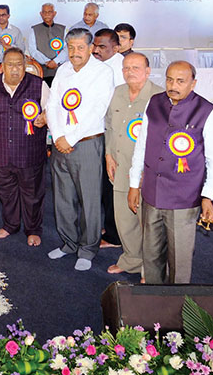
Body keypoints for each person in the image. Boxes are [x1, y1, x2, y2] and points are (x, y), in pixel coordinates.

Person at [128, 61, 213, 284]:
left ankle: (177, 309)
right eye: (169, 79)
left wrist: (208, 196)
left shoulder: (206, 111)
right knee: (151, 255)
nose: (173, 85)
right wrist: (134, 184)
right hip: (152, 193)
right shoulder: (154, 103)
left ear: (193, 83)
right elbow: (141, 145)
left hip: (184, 198)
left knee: (179, 261)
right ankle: (153, 303)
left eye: (180, 81)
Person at [46, 27, 115, 271]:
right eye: (71, 47)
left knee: (89, 199)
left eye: (81, 47)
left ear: (91, 48)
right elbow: (52, 104)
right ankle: (68, 243)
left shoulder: (102, 72)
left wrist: (71, 138)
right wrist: (58, 136)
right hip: (60, 143)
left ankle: (87, 249)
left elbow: (98, 109)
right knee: (63, 197)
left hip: (86, 143)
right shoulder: (63, 70)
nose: (75, 52)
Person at [0, 47, 49, 246]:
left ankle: (33, 229)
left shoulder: (39, 85)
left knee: (32, 193)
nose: (15, 69)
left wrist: (45, 117)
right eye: (10, 64)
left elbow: (52, 108)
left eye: (19, 64)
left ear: (25, 65)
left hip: (29, 151)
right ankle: (10, 225)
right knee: (6, 191)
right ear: (3, 66)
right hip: (1, 149)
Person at [104, 52, 163, 279]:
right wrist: (108, 155)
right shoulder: (118, 93)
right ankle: (131, 260)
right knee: (124, 219)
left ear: (148, 72)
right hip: (119, 168)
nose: (130, 72)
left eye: (136, 68)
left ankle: (150, 268)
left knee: (147, 223)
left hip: (147, 172)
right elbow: (109, 126)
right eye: (126, 68)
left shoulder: (158, 97)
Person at [93, 28, 126, 248]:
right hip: (102, 130)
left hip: (116, 135)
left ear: (116, 48)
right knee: (105, 184)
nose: (95, 50)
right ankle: (111, 225)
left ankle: (115, 236)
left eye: (102, 47)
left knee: (114, 184)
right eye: (94, 46)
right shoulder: (99, 65)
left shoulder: (121, 69)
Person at [27, 3, 68, 87]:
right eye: (44, 12)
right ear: (41, 14)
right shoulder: (34, 29)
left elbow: (67, 48)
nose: (47, 14)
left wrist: (55, 61)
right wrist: (46, 62)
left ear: (54, 13)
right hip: (41, 71)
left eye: (49, 12)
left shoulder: (63, 29)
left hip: (60, 70)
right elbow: (33, 50)